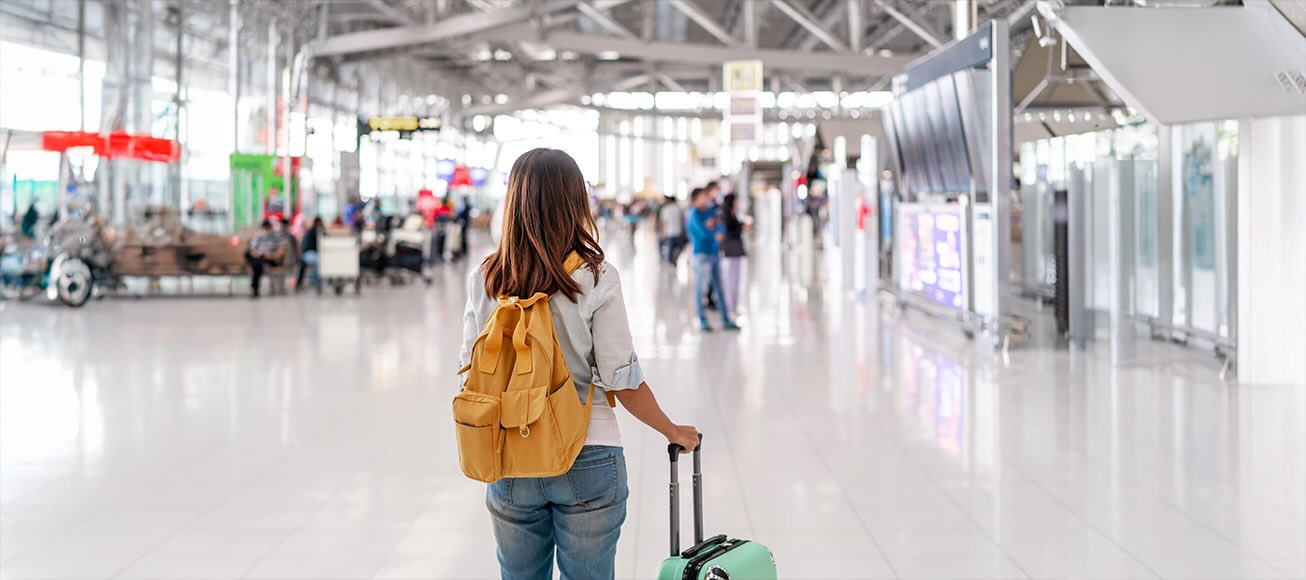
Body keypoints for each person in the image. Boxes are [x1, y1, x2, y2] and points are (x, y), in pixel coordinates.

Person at [458, 148, 699, 579]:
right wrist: (674, 431)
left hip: (510, 456)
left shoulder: (486, 277)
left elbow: (470, 372)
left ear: (514, 200)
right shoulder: (595, 276)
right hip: (589, 455)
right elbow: (622, 382)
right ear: (575, 202)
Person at [686, 188, 740, 332]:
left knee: (720, 288)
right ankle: (702, 320)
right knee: (700, 288)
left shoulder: (711, 211)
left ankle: (726, 319)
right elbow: (702, 234)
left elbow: (721, 227)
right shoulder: (693, 214)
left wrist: (714, 228)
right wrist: (713, 230)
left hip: (714, 253)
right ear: (695, 199)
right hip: (701, 254)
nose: (706, 200)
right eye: (702, 197)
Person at [245, 220, 288, 298]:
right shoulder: (259, 236)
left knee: (257, 266)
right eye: (265, 228)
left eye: (267, 227)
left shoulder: (276, 236)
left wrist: (273, 255)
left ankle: (254, 288)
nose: (266, 229)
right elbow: (253, 248)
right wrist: (258, 254)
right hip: (260, 257)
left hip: (272, 258)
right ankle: (254, 288)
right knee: (253, 260)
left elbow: (281, 250)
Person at [720, 193, 747, 316]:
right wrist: (741, 228)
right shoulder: (725, 215)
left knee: (736, 279)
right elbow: (728, 231)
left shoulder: (734, 213)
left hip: (736, 248)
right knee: (730, 279)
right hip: (730, 249)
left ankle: (734, 306)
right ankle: (729, 306)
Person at [656, 194, 686, 265]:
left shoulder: (665, 209)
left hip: (669, 232)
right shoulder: (679, 208)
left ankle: (670, 263)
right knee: (679, 247)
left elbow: (663, 222)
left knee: (670, 249)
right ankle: (673, 260)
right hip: (678, 232)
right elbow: (682, 220)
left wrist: (662, 232)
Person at [296, 217, 324, 291]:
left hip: (313, 253)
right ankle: (317, 281)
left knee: (319, 262)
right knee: (318, 262)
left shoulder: (318, 232)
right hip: (308, 253)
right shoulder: (312, 232)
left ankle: (316, 280)